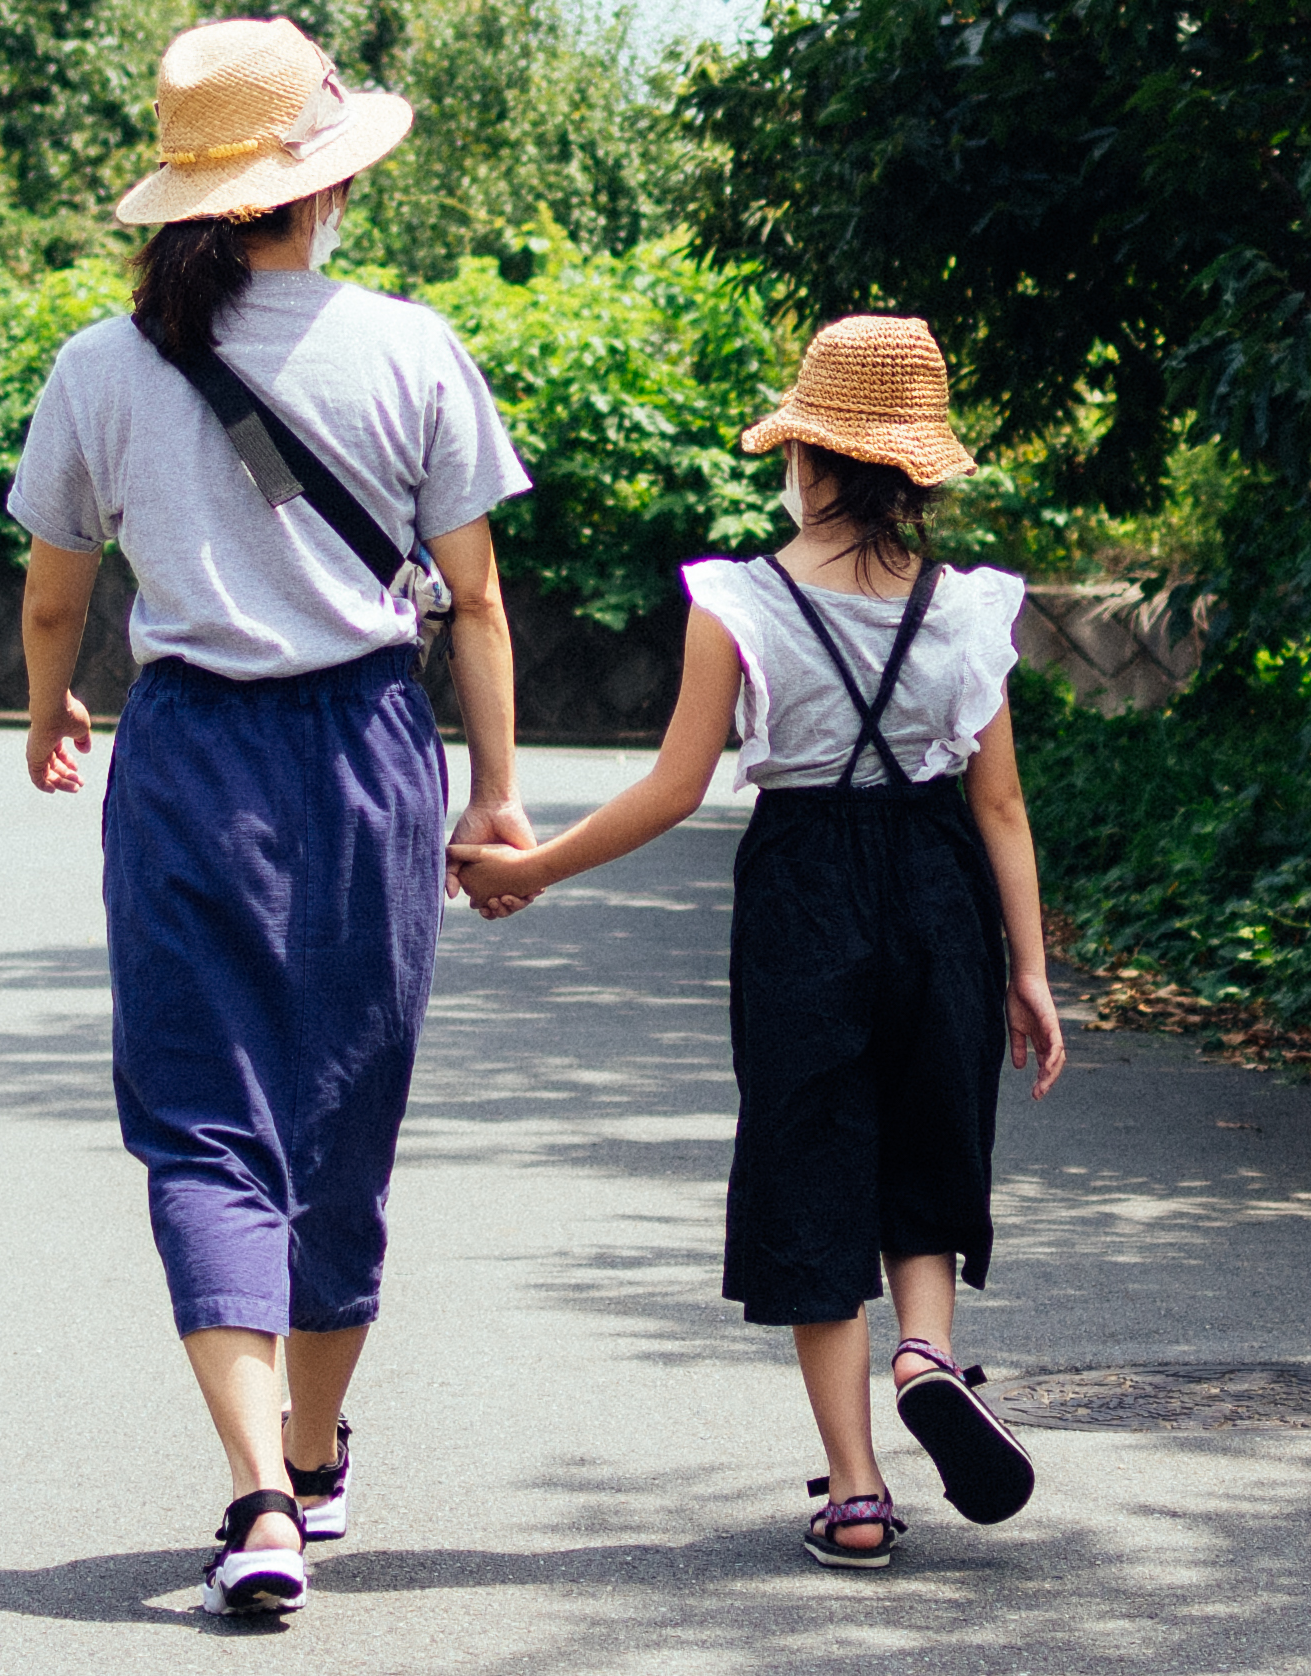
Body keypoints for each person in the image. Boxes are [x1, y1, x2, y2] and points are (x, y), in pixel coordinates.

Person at [10, 17, 533, 1622]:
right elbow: (479, 603)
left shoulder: (102, 365)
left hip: (188, 764)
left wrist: (49, 715)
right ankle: (309, 1460)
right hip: (371, 754)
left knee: (200, 1119)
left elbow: (53, 599)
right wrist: (495, 797)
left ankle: (255, 1494)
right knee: (340, 1112)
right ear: (324, 189)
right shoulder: (408, 346)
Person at [453, 313, 1064, 1570]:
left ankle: (854, 1492)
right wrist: (1030, 967)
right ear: (914, 466)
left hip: (803, 888)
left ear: (809, 457)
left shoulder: (739, 598)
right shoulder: (970, 610)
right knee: (928, 1137)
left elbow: (677, 786)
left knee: (812, 1163)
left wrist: (531, 865)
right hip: (940, 881)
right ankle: (927, 1351)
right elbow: (997, 802)